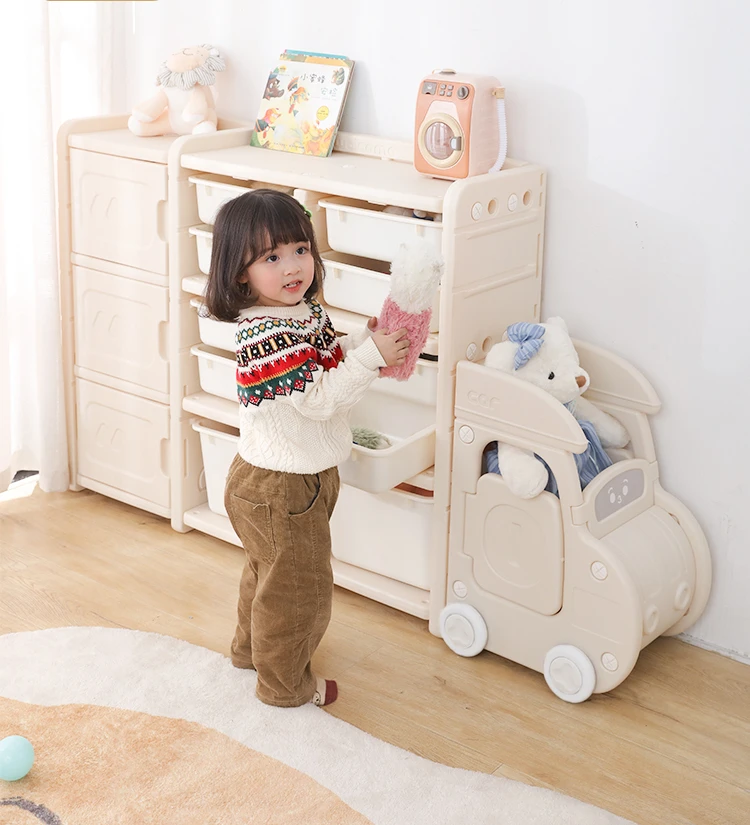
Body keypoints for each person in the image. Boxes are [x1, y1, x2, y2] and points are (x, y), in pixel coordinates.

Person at [203, 189, 410, 707]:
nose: (293, 266)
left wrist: (364, 346)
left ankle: (250, 653)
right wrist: (369, 359)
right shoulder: (266, 335)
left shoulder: (301, 311)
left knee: (269, 576)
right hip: (281, 485)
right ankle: (284, 686)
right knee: (299, 593)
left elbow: (329, 363)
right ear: (240, 274)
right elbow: (319, 400)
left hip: (289, 478)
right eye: (271, 258)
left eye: (300, 249)